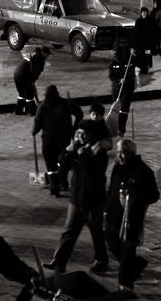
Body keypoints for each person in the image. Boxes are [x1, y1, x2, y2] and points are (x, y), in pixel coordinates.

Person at [44, 108, 111, 274]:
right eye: (78, 133)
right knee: (69, 231)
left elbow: (90, 171)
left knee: (96, 231)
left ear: (90, 135)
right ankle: (59, 261)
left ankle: (101, 260)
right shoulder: (77, 149)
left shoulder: (98, 153)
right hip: (76, 198)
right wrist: (70, 149)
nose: (80, 136)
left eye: (83, 133)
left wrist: (80, 154)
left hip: (93, 199)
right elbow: (62, 165)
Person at [105, 139, 160, 290]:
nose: (118, 156)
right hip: (113, 214)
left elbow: (154, 195)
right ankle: (137, 264)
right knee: (112, 244)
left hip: (131, 218)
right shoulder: (118, 166)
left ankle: (125, 284)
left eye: (120, 152)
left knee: (128, 251)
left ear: (129, 153)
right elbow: (112, 189)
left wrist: (134, 196)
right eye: (118, 152)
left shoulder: (143, 171)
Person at [33, 85, 83, 196]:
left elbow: (37, 122)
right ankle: (63, 183)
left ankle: (54, 187)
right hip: (63, 139)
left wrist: (34, 131)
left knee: (51, 164)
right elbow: (79, 113)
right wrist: (75, 126)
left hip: (48, 140)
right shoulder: (65, 103)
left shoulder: (43, 106)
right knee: (62, 162)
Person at [13, 46, 51, 116]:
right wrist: (33, 85)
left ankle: (18, 111)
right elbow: (34, 76)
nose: (48, 56)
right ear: (44, 53)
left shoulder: (35, 54)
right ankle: (32, 112)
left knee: (22, 94)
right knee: (30, 94)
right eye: (48, 54)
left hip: (16, 74)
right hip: (24, 76)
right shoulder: (40, 61)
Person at [109, 46, 137, 138]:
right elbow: (111, 76)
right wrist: (118, 80)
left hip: (127, 89)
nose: (116, 55)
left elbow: (132, 73)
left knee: (124, 109)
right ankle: (114, 128)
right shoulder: (113, 63)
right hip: (117, 89)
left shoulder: (129, 61)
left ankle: (121, 130)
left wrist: (127, 79)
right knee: (115, 109)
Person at [131, 7, 156, 74]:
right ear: (141, 13)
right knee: (139, 57)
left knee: (146, 57)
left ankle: (145, 69)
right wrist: (133, 45)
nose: (144, 13)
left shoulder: (150, 21)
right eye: (143, 12)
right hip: (139, 44)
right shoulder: (138, 21)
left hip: (147, 44)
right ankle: (140, 69)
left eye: (146, 12)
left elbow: (153, 34)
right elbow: (135, 33)